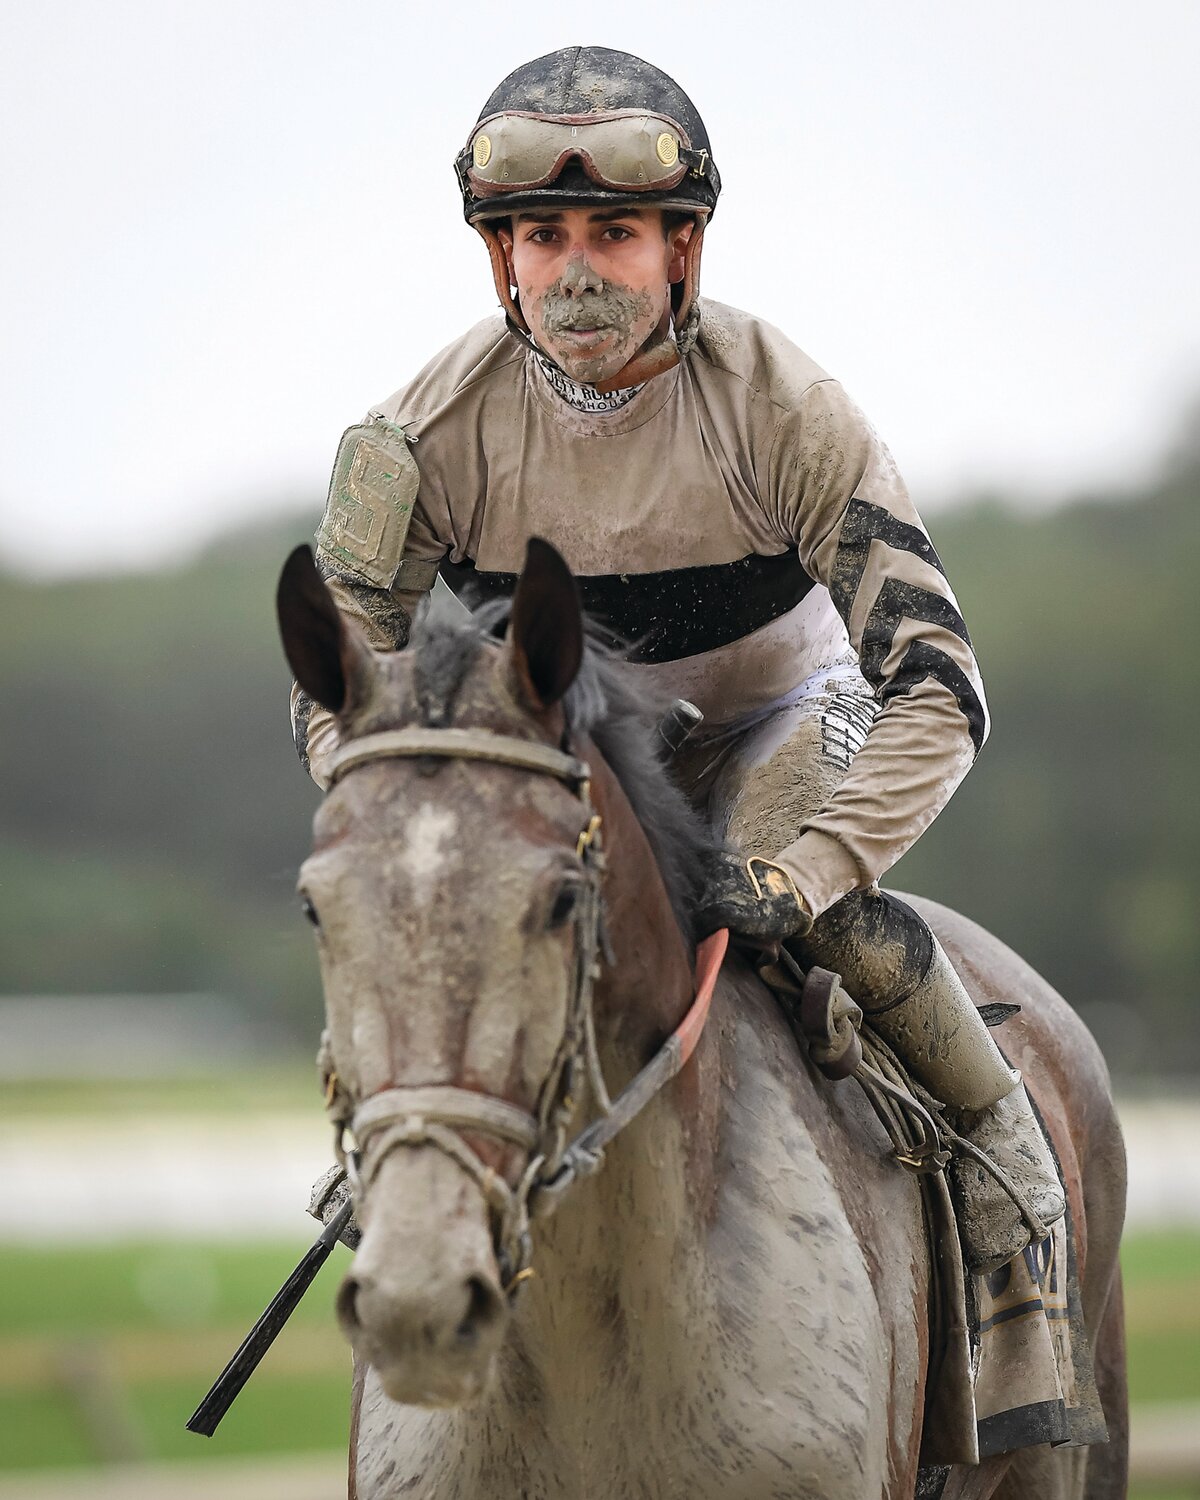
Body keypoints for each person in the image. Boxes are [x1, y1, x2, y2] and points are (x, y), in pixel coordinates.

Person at [290, 45, 1064, 1272]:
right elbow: (335, 681)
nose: (577, 272)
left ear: (682, 249)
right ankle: (394, 1155)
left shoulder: (794, 409)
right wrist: (394, 801)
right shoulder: (414, 435)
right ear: (502, 258)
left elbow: (939, 686)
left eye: (615, 232)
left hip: (780, 722)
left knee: (829, 923)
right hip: (566, 752)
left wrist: (813, 870)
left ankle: (1005, 1161)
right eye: (543, 236)